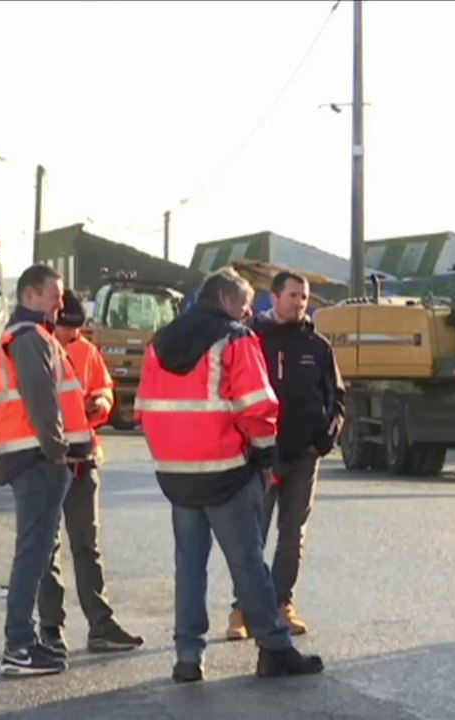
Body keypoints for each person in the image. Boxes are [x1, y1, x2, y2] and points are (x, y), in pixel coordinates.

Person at [134, 267, 324, 683]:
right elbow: (257, 407)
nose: (247, 311)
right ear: (224, 300)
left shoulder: (159, 342)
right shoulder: (235, 338)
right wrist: (262, 459)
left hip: (177, 473)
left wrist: (170, 455)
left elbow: (143, 409)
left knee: (189, 565)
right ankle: (274, 649)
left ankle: (188, 656)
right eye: (243, 303)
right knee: (248, 564)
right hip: (226, 470)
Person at [227, 271, 345, 640]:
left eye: (304, 297)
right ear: (273, 297)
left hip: (304, 455)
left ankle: (282, 603)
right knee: (252, 535)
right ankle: (243, 609)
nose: (300, 302)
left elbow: (336, 399)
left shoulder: (318, 346)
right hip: (258, 456)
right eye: (293, 295)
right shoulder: (250, 340)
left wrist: (323, 441)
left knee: (292, 533)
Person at [0, 264, 95, 677]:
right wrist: (58, 453)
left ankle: (23, 642)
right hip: (39, 460)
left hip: (36, 459)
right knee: (33, 554)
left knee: (35, 553)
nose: (61, 302)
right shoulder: (31, 338)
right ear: (31, 296)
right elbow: (42, 402)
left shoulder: (30, 337)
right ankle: (19, 646)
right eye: (55, 295)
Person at [37, 289, 145, 656]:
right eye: (68, 329)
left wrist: (101, 402)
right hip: (45, 464)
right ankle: (51, 628)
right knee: (45, 549)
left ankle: (100, 624)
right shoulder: (33, 348)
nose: (73, 337)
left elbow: (105, 389)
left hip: (83, 461)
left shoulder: (85, 350)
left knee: (87, 546)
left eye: (77, 330)